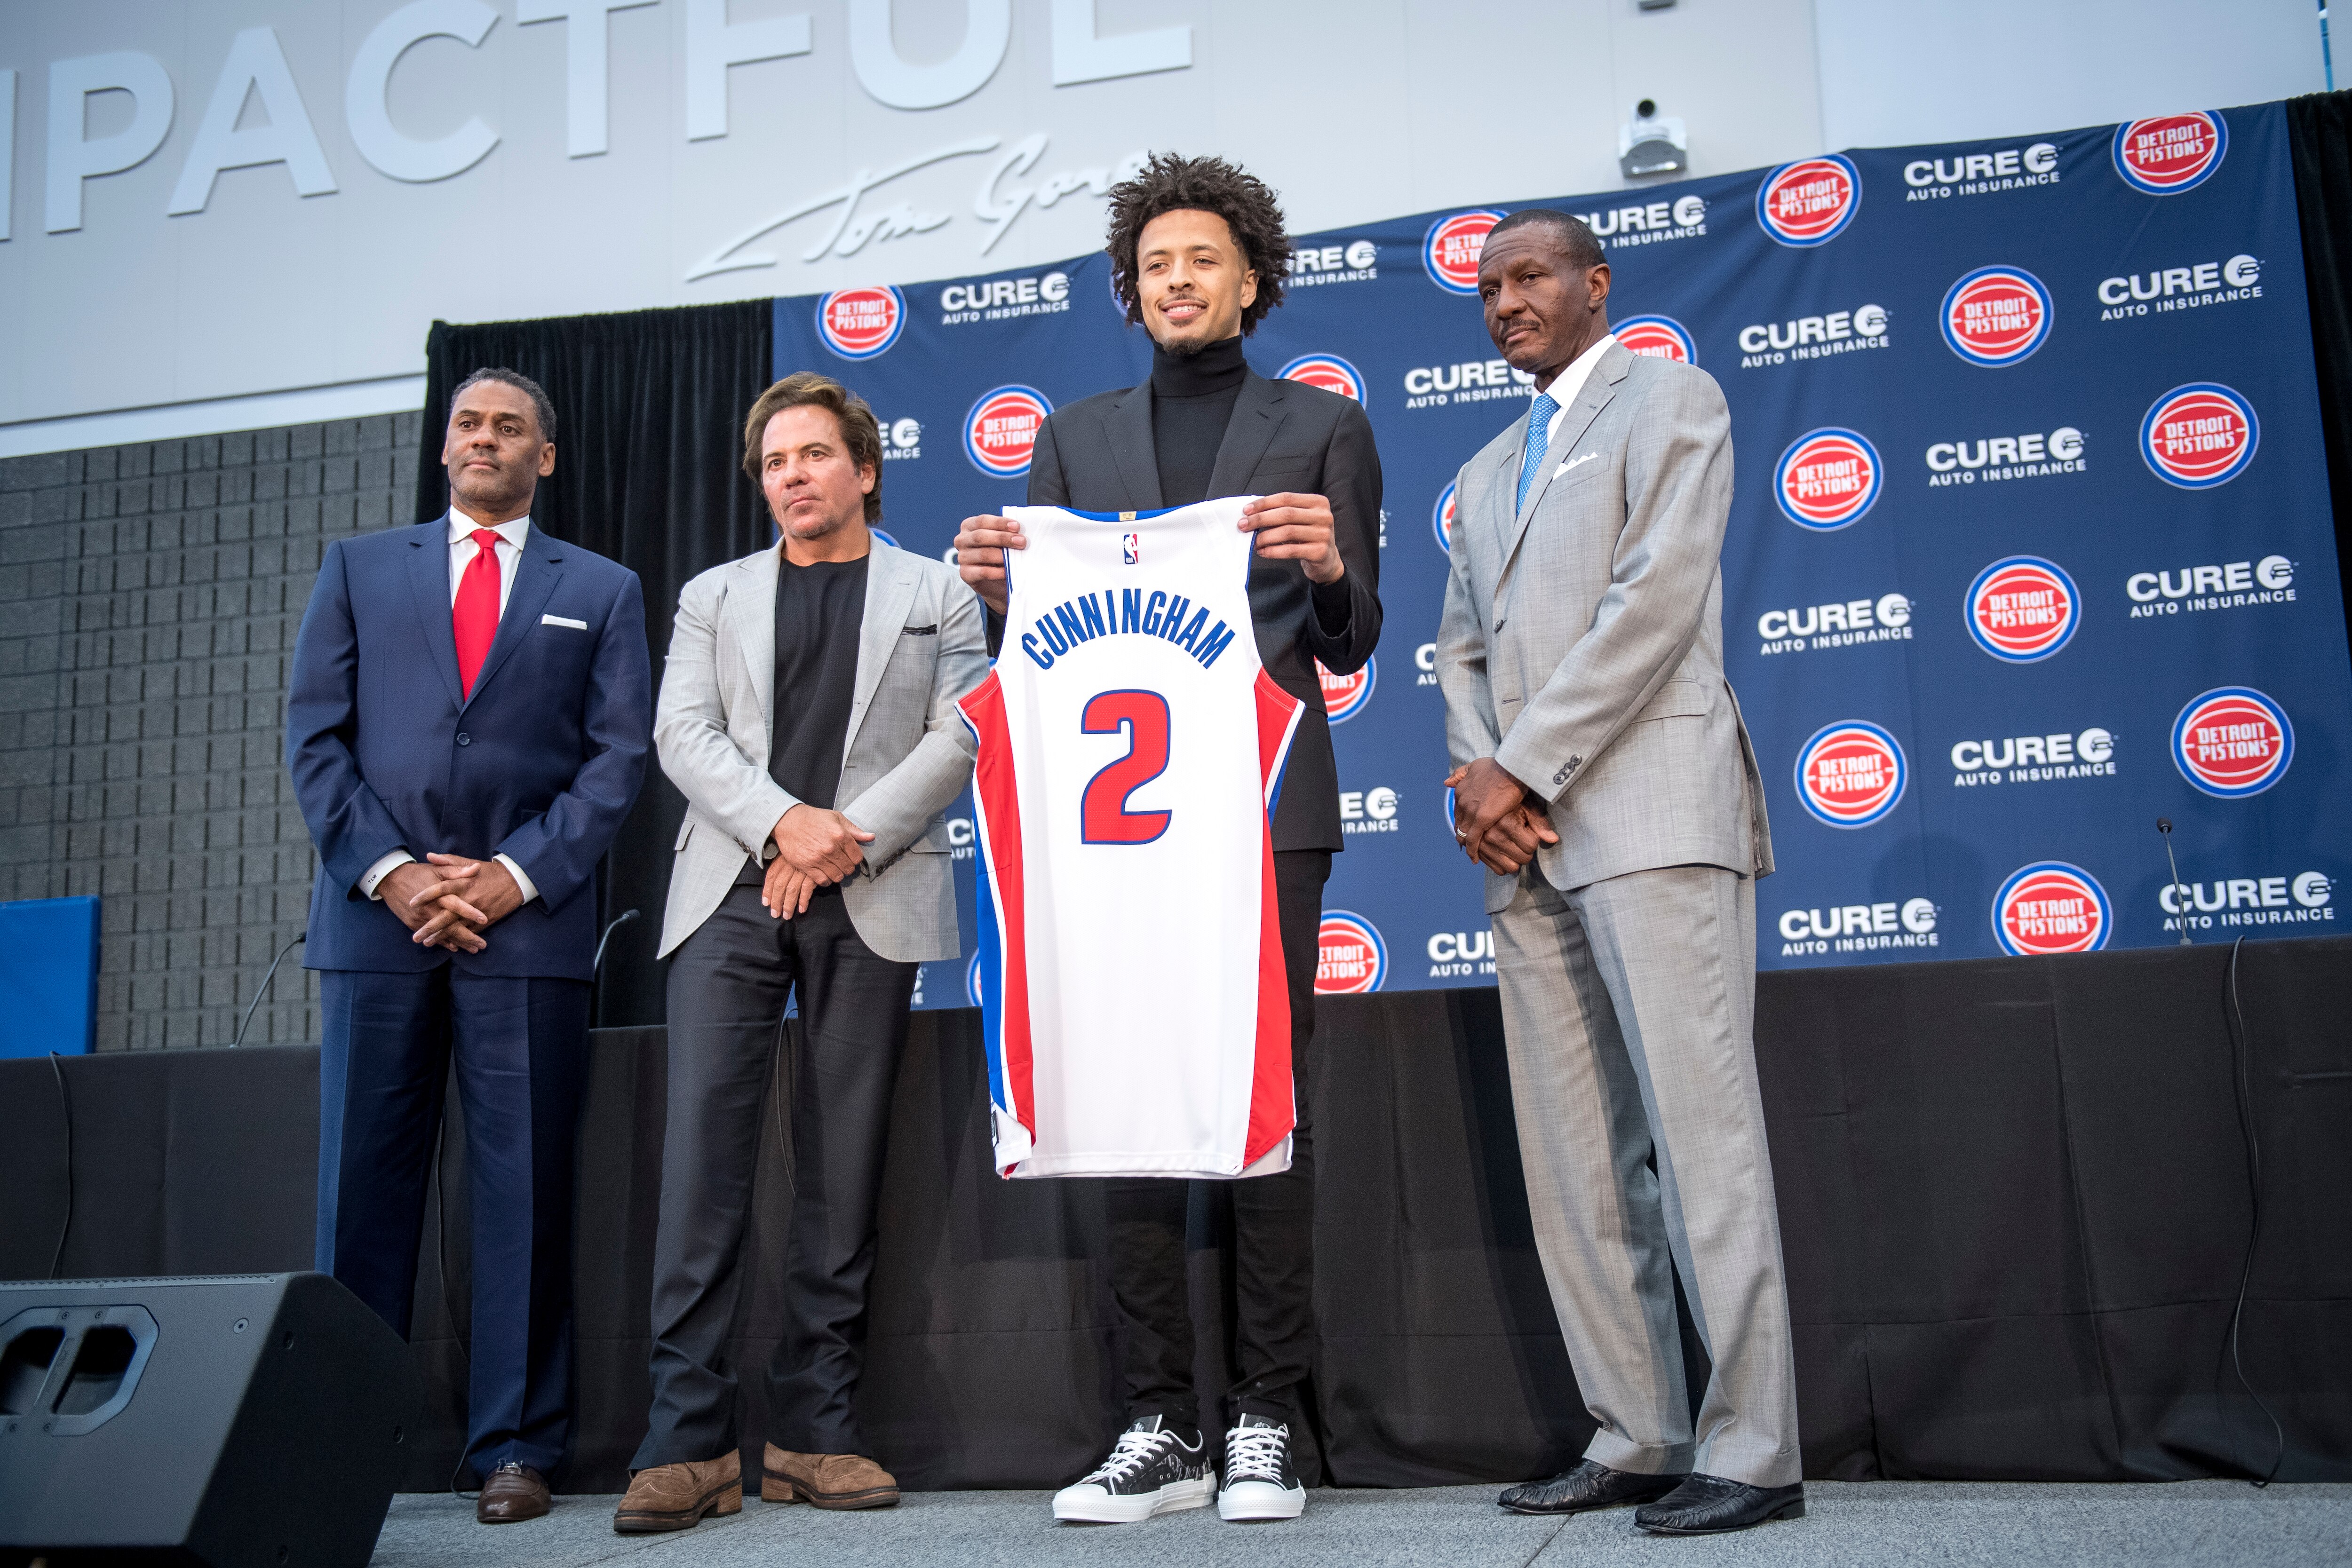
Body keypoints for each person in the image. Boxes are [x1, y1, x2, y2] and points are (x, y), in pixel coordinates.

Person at [954, 152, 1382, 1525]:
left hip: (1264, 813)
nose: (1179, 280)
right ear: (1130, 293)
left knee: (1267, 1103)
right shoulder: (1073, 439)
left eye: (1203, 258)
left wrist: (1327, 569)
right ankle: (1156, 1419)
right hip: (1113, 831)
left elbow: (1354, 635)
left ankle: (1265, 1411)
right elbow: (1041, 651)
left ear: (1253, 277)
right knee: (1124, 1094)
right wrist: (991, 592)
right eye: (1155, 265)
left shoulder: (1321, 426)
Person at [1433, 208, 1799, 1536]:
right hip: (1524, 845)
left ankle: (1754, 1446)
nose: (1505, 301)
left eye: (1529, 277)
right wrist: (1486, 783)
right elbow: (1458, 648)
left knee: (1701, 1141)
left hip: (1648, 809)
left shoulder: (1671, 398)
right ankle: (1637, 1426)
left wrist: (1520, 765)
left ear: (1597, 284)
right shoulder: (1482, 468)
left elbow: (1654, 599)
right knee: (1576, 1159)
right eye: (1487, 286)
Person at [613, 372, 986, 1534]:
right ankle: (686, 1443)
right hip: (731, 884)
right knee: (701, 1168)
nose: (793, 477)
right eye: (774, 462)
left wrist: (839, 840)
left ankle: (814, 1434)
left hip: (870, 889)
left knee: (844, 1170)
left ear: (863, 469)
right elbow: (683, 731)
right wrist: (785, 824)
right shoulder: (713, 594)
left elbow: (965, 730)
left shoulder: (941, 592)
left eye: (815, 455)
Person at [286, 367, 652, 1524]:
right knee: (362, 1197)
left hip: (527, 928)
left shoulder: (600, 587)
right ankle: (335, 1440)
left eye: (508, 427)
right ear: (444, 450)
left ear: (546, 456)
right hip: (375, 924)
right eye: (467, 424)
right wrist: (396, 876)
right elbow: (315, 737)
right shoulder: (357, 569)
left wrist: (505, 877)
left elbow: (616, 761)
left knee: (523, 1192)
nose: (483, 439)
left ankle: (516, 1445)